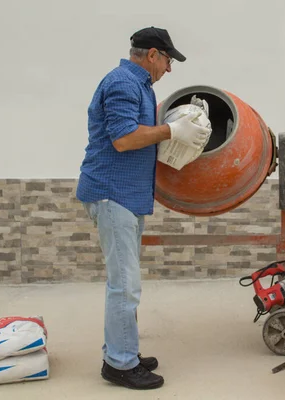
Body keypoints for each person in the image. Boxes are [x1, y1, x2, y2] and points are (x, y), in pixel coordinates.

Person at [76, 26, 211, 390]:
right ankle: (119, 364)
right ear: (152, 54)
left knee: (126, 283)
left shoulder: (139, 86)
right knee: (124, 285)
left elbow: (136, 137)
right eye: (168, 59)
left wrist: (174, 133)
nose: (169, 68)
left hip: (126, 195)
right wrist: (171, 131)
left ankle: (125, 352)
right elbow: (123, 139)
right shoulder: (123, 82)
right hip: (112, 193)